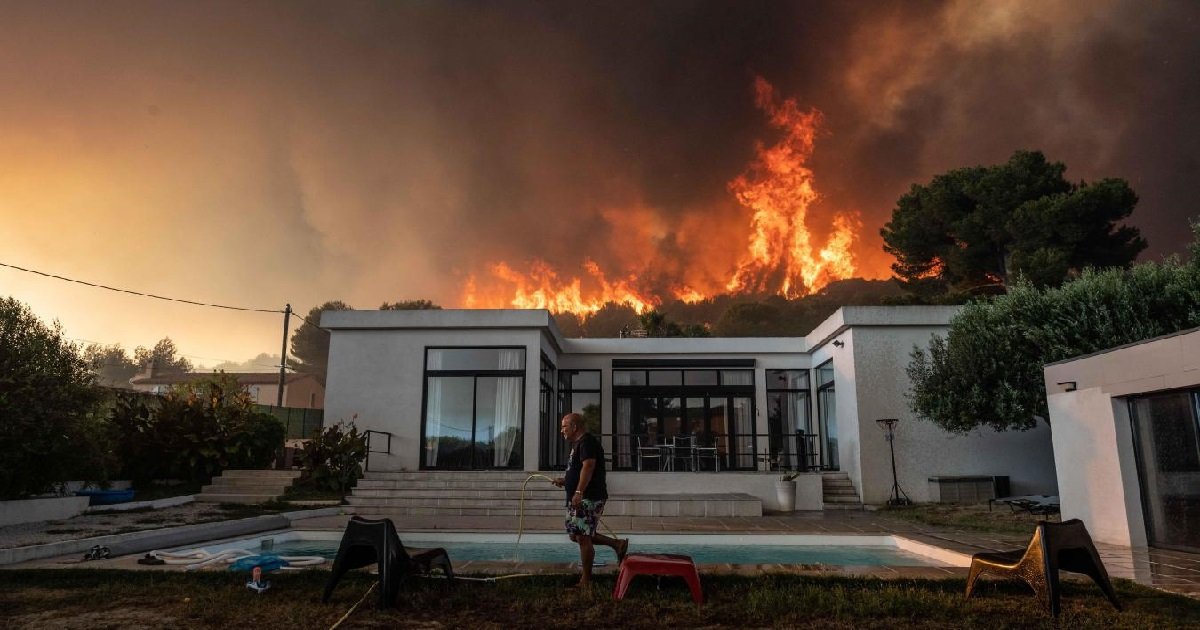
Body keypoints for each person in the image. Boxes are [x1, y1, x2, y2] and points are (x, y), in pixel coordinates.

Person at [553, 412, 629, 588]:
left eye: (564, 426)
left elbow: (589, 466)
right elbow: (579, 469)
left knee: (582, 537)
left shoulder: (587, 442)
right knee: (575, 535)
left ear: (574, 427)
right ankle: (617, 544)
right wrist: (566, 481)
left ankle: (585, 581)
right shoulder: (578, 444)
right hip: (582, 496)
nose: (562, 430)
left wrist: (579, 491)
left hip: (589, 496)